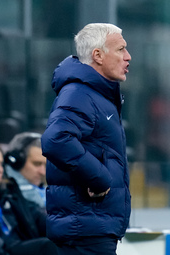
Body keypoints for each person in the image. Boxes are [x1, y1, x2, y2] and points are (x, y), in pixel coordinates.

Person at [41, 23, 131, 255]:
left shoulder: (95, 94)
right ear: (98, 55)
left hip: (92, 226)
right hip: (86, 228)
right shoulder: (79, 93)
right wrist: (100, 178)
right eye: (121, 49)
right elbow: (56, 139)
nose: (128, 57)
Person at [0, 138, 58, 255]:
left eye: (1, 164)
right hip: (4, 250)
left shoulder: (7, 190)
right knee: (50, 246)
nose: (0, 170)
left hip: (17, 244)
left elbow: (33, 215)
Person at [4, 132, 46, 209]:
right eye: (36, 164)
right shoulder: (4, 196)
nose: (43, 172)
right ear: (17, 162)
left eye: (45, 165)